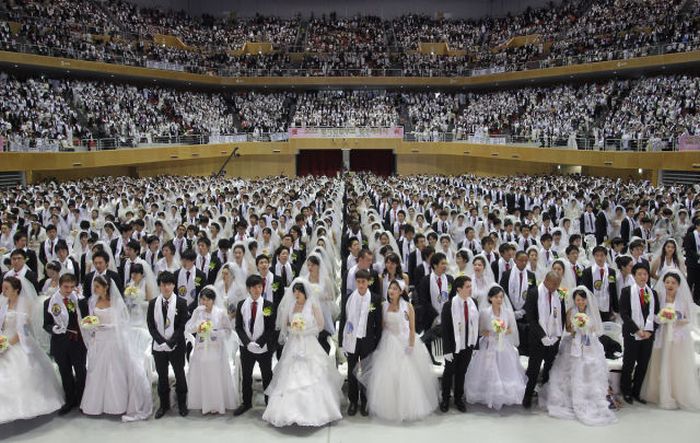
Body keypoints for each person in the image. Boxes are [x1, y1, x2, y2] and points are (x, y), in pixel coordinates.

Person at [263, 279, 342, 426]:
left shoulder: (312, 305)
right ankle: (287, 413)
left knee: (313, 375)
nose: (296, 294)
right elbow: (285, 323)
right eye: (294, 292)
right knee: (289, 375)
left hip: (308, 342)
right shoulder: (291, 305)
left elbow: (320, 325)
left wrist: (305, 331)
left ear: (305, 293)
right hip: (293, 343)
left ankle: (314, 412)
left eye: (299, 292)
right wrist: (293, 328)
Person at [360, 279, 438, 421]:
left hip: (404, 342)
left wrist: (411, 345)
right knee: (388, 375)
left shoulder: (407, 306)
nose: (391, 291)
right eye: (390, 288)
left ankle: (407, 407)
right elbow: (382, 325)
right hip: (389, 342)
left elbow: (413, 328)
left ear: (401, 291)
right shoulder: (383, 306)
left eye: (395, 289)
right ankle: (390, 407)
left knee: (407, 375)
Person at [539, 286, 617, 425]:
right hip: (573, 343)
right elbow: (568, 328)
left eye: (582, 299)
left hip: (589, 343)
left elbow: (597, 328)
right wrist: (576, 328)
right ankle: (571, 397)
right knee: (571, 369)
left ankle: (592, 397)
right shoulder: (571, 311)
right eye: (578, 299)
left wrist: (586, 327)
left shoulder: (592, 311)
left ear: (587, 300)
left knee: (590, 369)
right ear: (574, 300)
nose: (580, 302)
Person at [80, 276, 152, 421]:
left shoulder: (117, 302)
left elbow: (124, 322)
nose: (95, 290)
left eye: (98, 287)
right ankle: (95, 405)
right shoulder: (93, 301)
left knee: (114, 372)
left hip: (113, 339)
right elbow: (91, 318)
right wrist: (91, 326)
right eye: (94, 287)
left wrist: (110, 326)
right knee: (97, 372)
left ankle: (116, 405)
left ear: (106, 287)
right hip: (99, 340)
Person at [0, 276, 64, 424]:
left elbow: (23, 329)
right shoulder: (3, 303)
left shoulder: (25, 304)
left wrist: (8, 344)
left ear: (16, 290)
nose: (3, 291)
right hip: (3, 338)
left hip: (17, 342)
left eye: (7, 288)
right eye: (3, 287)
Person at [640, 271, 700, 410]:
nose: (670, 285)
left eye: (673, 283)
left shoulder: (683, 300)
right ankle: (658, 393)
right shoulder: (659, 297)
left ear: (678, 285)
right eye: (667, 282)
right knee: (659, 362)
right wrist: (662, 318)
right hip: (662, 334)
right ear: (663, 283)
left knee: (675, 365)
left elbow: (688, 319)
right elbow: (652, 316)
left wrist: (674, 319)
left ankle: (675, 393)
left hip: (677, 336)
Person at [465, 284, 526, 410]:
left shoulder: (508, 313)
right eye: (496, 297)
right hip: (488, 345)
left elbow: (511, 329)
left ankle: (503, 394)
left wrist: (502, 331)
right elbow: (481, 331)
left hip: (503, 344)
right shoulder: (485, 313)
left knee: (506, 368)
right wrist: (492, 333)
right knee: (487, 368)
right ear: (490, 298)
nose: (499, 300)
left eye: (501, 297)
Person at [185, 286, 240, 414]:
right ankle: (203, 402)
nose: (203, 303)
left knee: (215, 373)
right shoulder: (198, 312)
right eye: (202, 300)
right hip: (201, 348)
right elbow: (189, 328)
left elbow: (228, 331)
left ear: (213, 300)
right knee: (202, 371)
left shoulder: (220, 313)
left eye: (206, 300)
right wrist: (198, 327)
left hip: (216, 348)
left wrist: (214, 333)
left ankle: (216, 403)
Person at [43, 272, 89, 415]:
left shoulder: (80, 300)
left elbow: (87, 318)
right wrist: (55, 329)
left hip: (78, 342)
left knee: (81, 372)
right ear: (59, 285)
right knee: (65, 373)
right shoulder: (50, 302)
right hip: (61, 343)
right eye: (65, 287)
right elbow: (46, 324)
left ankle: (83, 400)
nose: (68, 290)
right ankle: (70, 400)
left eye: (71, 287)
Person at [339, 269, 383, 417]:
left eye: (364, 282)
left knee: (366, 373)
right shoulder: (349, 298)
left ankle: (365, 402)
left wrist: (376, 343)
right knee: (352, 372)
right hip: (352, 339)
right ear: (355, 282)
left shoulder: (375, 299)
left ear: (368, 282)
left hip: (367, 340)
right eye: (358, 282)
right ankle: (352, 401)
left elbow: (378, 323)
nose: (361, 285)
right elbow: (344, 320)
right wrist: (341, 341)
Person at [147, 271, 190, 418]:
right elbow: (151, 325)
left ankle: (182, 404)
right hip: (159, 347)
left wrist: (171, 342)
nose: (166, 287)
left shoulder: (181, 303)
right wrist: (161, 341)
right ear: (159, 285)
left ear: (174, 285)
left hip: (176, 346)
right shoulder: (153, 303)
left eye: (169, 284)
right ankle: (163, 405)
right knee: (162, 376)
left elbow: (183, 325)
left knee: (180, 374)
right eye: (164, 284)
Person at [234, 274, 277, 416]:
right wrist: (247, 343)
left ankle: (269, 403)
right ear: (248, 289)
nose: (257, 290)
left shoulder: (268, 305)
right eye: (254, 287)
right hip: (246, 348)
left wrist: (258, 343)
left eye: (259, 286)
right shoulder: (242, 305)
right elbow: (238, 327)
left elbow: (270, 328)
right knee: (246, 376)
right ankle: (246, 402)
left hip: (263, 348)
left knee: (267, 375)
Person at [522, 271, 566, 409]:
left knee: (549, 367)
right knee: (534, 369)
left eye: (558, 284)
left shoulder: (558, 294)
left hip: (553, 339)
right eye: (554, 284)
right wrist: (542, 336)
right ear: (546, 280)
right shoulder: (534, 293)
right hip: (537, 339)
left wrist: (557, 336)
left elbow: (561, 316)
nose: (556, 287)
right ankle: (527, 395)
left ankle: (546, 393)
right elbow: (531, 318)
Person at [619, 263, 659, 405]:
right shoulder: (627, 291)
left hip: (647, 336)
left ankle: (637, 392)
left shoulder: (652, 293)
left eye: (645, 274)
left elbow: (656, 315)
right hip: (631, 334)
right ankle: (626, 391)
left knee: (643, 365)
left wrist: (649, 330)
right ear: (634, 276)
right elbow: (624, 314)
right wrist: (637, 330)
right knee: (628, 364)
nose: (643, 277)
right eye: (640, 274)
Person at [440, 275, 479, 413]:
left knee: (462, 372)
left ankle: (458, 398)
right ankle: (445, 398)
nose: (470, 289)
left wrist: (476, 345)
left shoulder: (473, 302)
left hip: (468, 343)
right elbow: (445, 330)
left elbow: (476, 324)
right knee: (449, 372)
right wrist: (447, 349)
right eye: (467, 287)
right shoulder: (449, 305)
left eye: (470, 286)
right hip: (453, 345)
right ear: (459, 289)